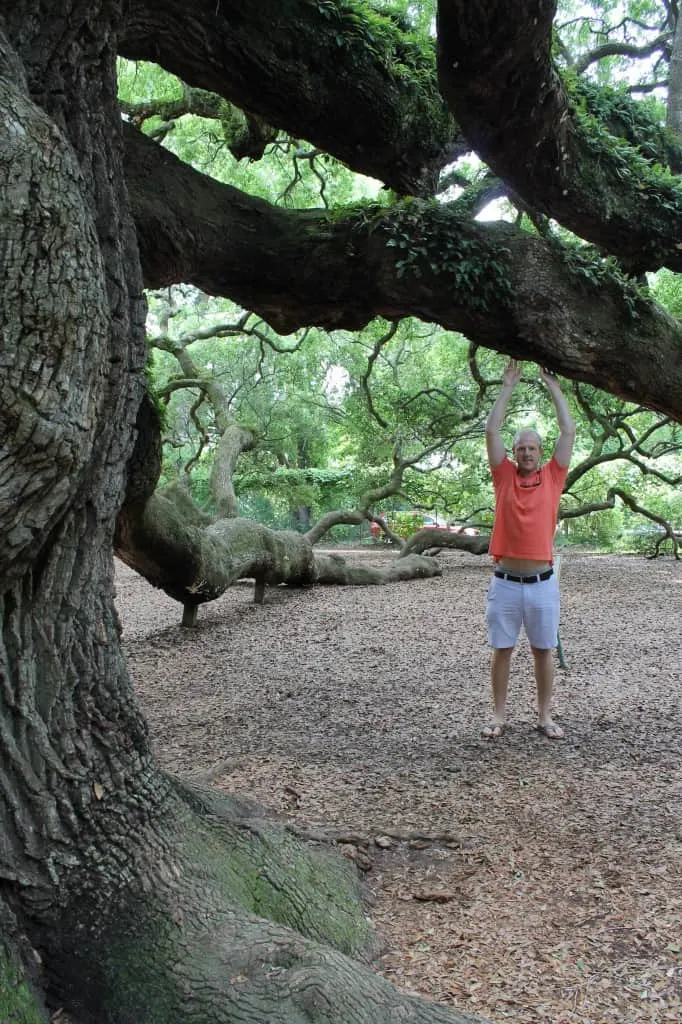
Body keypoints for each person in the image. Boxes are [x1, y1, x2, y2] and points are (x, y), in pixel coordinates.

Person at [483, 359, 576, 740]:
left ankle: (544, 716)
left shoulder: (553, 476)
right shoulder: (503, 475)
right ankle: (499, 716)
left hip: (542, 583)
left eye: (531, 447)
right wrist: (507, 386)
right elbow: (492, 430)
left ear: (540, 452)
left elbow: (568, 431)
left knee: (543, 650)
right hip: (505, 582)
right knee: (502, 649)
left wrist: (553, 386)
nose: (525, 452)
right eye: (520, 447)